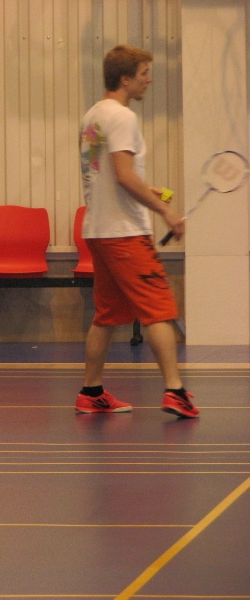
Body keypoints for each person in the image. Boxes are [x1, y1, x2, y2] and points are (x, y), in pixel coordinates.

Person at [76, 44, 199, 419]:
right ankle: (175, 391)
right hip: (124, 233)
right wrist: (166, 210)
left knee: (107, 315)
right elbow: (124, 176)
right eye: (145, 73)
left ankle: (91, 392)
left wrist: (149, 191)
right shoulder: (123, 117)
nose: (149, 80)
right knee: (160, 309)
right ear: (125, 78)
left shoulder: (92, 116)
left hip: (98, 229)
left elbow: (109, 176)